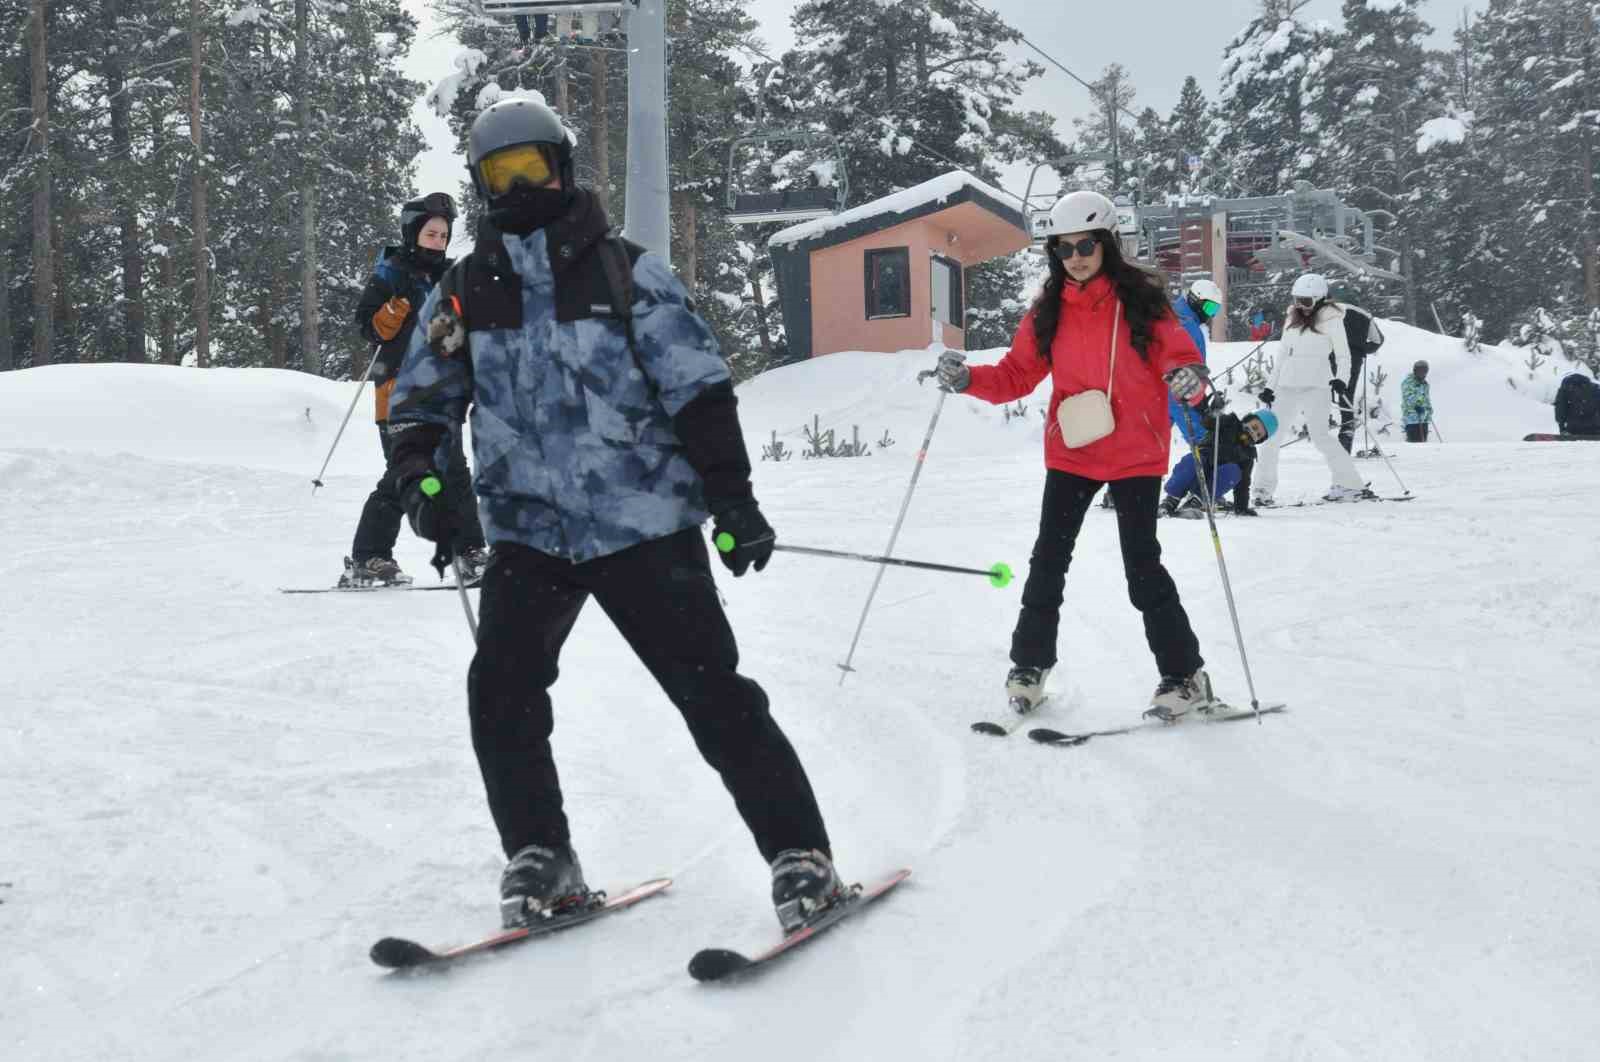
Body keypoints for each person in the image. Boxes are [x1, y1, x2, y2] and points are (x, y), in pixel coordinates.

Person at [384, 97, 839, 933]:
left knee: (713, 696)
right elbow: (420, 401)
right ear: (483, 185)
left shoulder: (625, 271)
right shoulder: (467, 289)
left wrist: (732, 497)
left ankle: (799, 853)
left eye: (533, 168)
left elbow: (699, 392)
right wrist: (425, 479)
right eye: (500, 174)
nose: (521, 186)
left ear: (562, 166)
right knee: (502, 692)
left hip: (643, 523)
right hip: (531, 531)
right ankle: (542, 856)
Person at [934, 189, 1219, 721]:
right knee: (1048, 561)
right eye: (1064, 248)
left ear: (1108, 242)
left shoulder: (1143, 305)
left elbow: (1181, 360)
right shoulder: (1049, 312)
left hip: (1135, 449)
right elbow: (1017, 374)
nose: (1077, 256)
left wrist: (1191, 381)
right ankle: (1030, 665)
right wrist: (969, 378)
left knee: (1142, 567)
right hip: (1074, 450)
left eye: (1087, 244)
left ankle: (1185, 675)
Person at [343, 193, 488, 588]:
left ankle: (470, 552)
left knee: (454, 473)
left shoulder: (450, 279)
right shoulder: (392, 273)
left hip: (440, 393)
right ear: (413, 233)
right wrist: (390, 313)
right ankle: (369, 557)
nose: (438, 241)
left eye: (443, 235)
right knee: (405, 473)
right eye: (431, 233)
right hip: (397, 391)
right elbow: (368, 329)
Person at [1252, 274, 1372, 504]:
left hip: (1317, 385)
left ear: (1319, 300)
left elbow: (1343, 355)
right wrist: (1270, 386)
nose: (1301, 307)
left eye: (1306, 302)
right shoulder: (1292, 318)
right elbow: (1282, 356)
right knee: (1271, 438)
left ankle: (1350, 485)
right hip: (1287, 385)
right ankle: (1262, 491)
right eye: (1297, 300)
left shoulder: (1332, 319)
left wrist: (1341, 380)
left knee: (1320, 437)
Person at [1162, 406, 1278, 518]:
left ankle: (1195, 503)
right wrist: (1214, 413)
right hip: (1200, 466)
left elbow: (1243, 485)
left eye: (1258, 435)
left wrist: (1241, 508)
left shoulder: (1248, 455)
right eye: (1255, 427)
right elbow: (1207, 422)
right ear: (1248, 419)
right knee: (1193, 460)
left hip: (1212, 484)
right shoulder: (1229, 422)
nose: (1253, 432)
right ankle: (1171, 500)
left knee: (1234, 472)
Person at [1333, 302, 1384, 453]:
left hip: (1330, 356)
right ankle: (1346, 435)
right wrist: (1362, 348)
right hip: (1353, 360)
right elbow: (1378, 340)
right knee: (1346, 398)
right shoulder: (1364, 314)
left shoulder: (1330, 310)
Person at [1400, 360, 1433, 442]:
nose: (1422, 374)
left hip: (1423, 418)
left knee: (1423, 442)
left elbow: (1426, 398)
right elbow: (1407, 397)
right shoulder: (1408, 382)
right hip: (1412, 419)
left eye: (1425, 371)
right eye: (1420, 371)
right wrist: (1416, 406)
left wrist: (1429, 410)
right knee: (1415, 444)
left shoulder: (1425, 384)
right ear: (1415, 371)